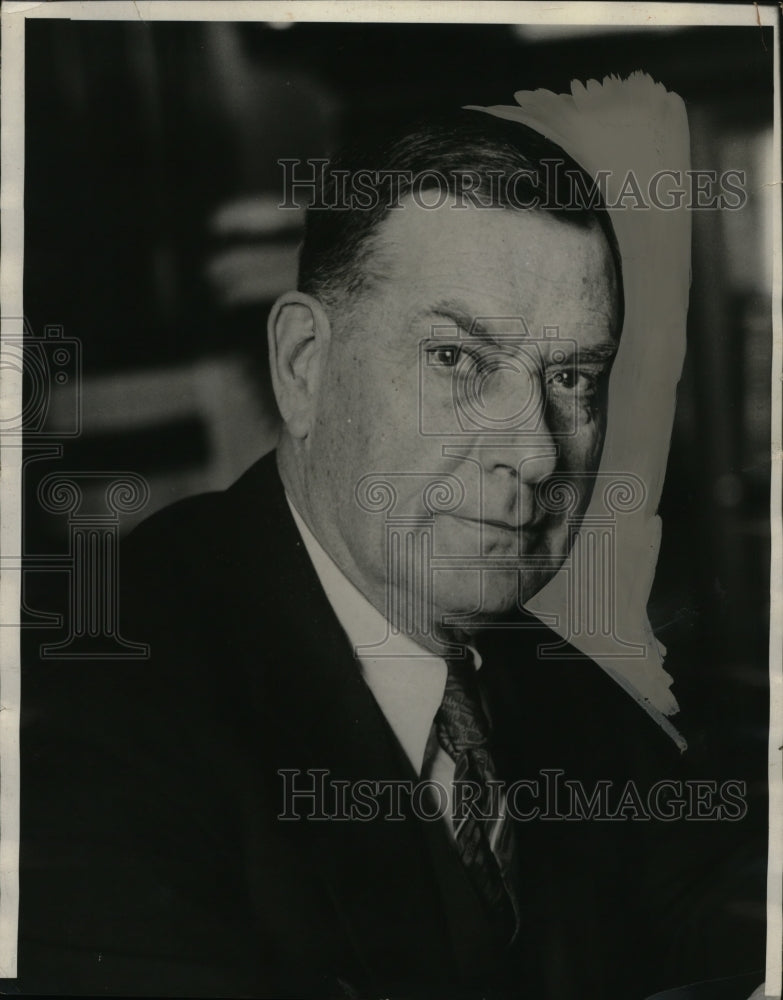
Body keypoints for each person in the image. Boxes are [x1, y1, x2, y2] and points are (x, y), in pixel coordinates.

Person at [18, 110, 765, 998]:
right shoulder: (88, 704)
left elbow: (735, 918)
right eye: (456, 359)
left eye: (572, 379)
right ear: (303, 365)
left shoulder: (548, 681)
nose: (534, 451)